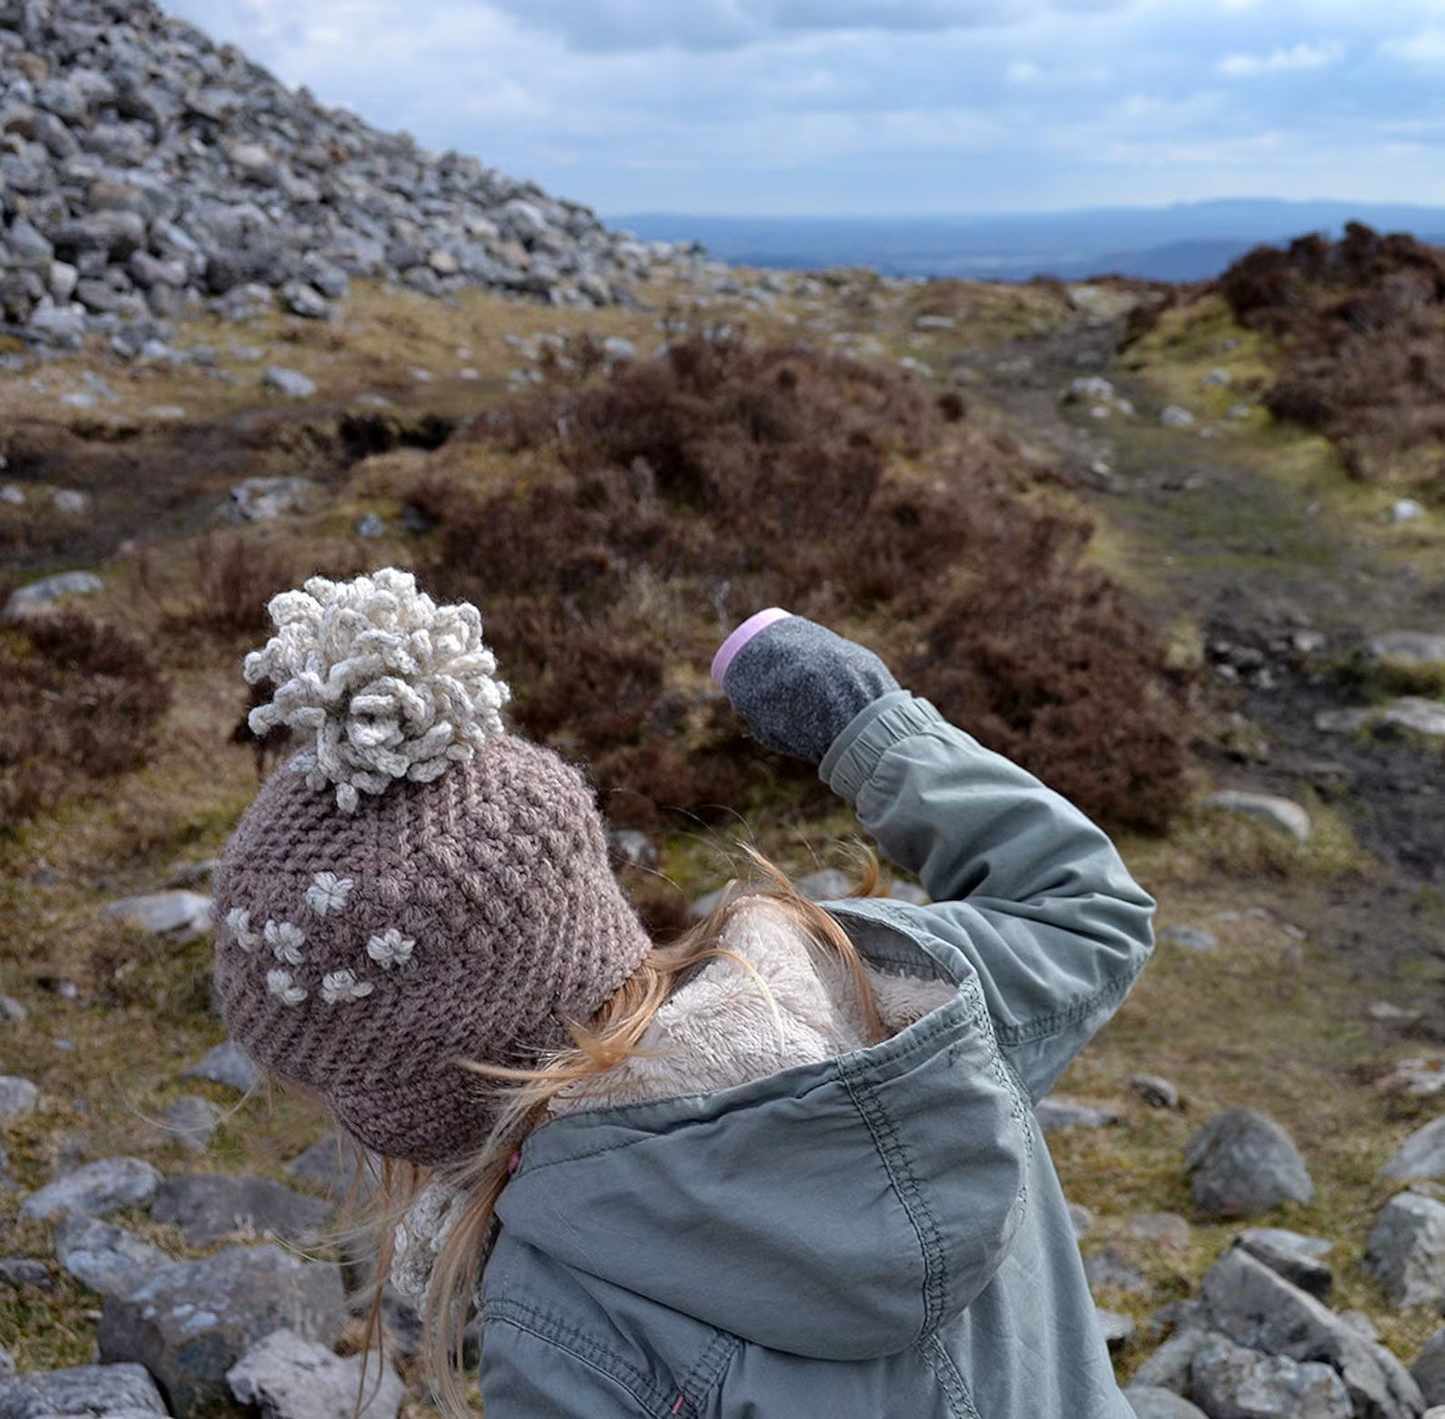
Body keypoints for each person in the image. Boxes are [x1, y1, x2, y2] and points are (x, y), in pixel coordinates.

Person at [214, 569, 1155, 1418]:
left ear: (404, 1109)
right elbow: (1087, 910)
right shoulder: (895, 987)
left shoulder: (555, 1319)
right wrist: (866, 728)